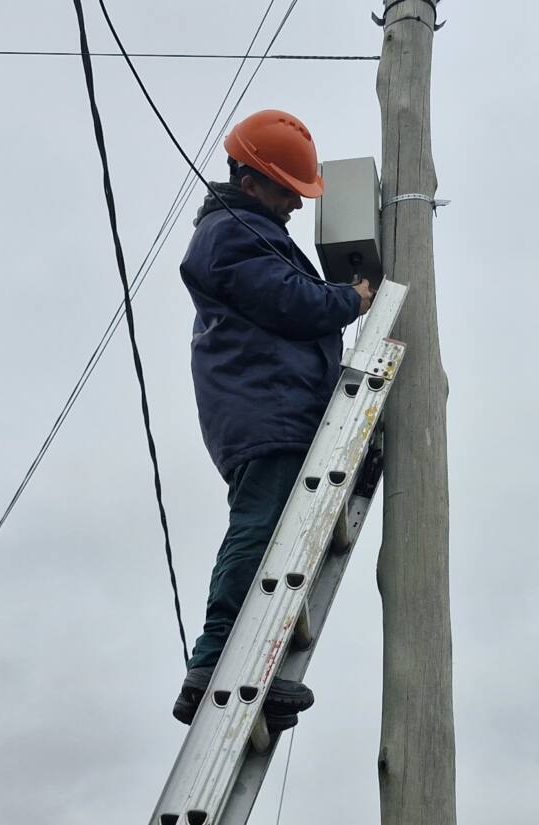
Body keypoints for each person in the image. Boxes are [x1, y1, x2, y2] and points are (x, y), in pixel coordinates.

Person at [174, 109, 375, 727]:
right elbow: (288, 301)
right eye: (287, 190)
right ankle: (213, 664)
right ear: (251, 181)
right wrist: (351, 299)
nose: (296, 203)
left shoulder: (248, 230)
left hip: (277, 407)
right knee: (260, 529)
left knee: (283, 537)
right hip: (266, 411)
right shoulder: (230, 234)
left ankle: (257, 668)